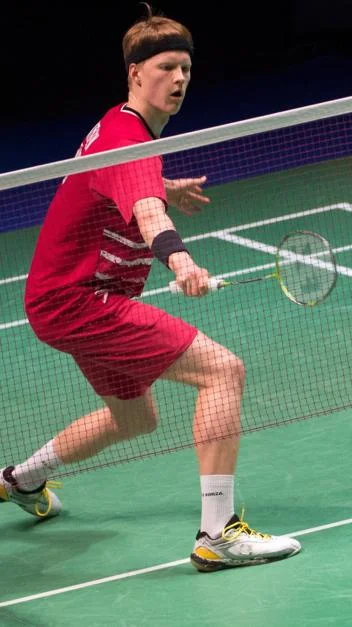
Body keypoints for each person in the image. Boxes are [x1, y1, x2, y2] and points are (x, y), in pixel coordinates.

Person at [0, 8, 301, 572]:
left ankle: (19, 480)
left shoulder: (115, 127)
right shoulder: (132, 139)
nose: (180, 78)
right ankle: (218, 534)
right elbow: (147, 215)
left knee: (134, 418)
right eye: (166, 67)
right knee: (224, 371)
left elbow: (109, 178)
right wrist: (180, 261)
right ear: (135, 73)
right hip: (81, 301)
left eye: (186, 68)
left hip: (60, 299)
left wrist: (161, 185)